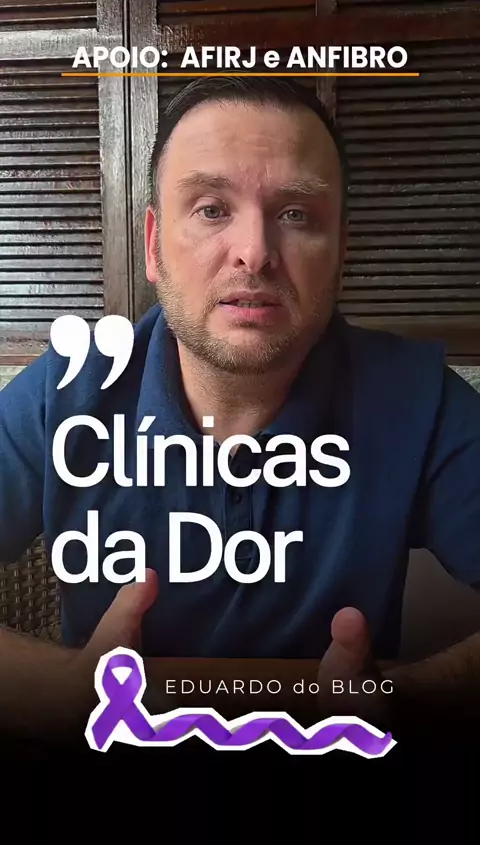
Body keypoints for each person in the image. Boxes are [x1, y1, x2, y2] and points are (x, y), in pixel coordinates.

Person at [0, 76, 479, 741]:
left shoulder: (418, 400)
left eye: (296, 214)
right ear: (153, 245)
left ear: (341, 251)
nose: (254, 252)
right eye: (210, 208)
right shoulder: (66, 394)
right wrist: (60, 689)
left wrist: (406, 698)